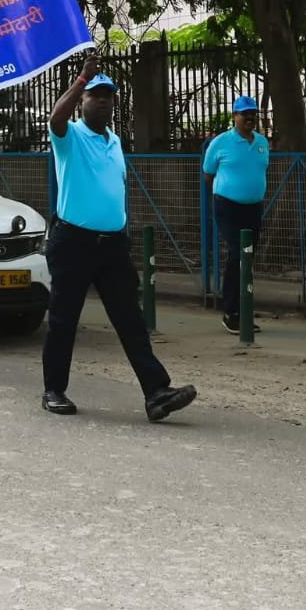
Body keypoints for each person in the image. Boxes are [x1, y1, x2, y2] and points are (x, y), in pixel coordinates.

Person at [41, 54, 198, 422]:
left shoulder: (114, 141)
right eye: (95, 95)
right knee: (64, 319)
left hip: (112, 246)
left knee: (130, 320)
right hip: (74, 243)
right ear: (82, 101)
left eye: (108, 96)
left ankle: (156, 393)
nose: (102, 101)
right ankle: (54, 390)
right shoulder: (70, 137)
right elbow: (55, 119)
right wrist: (81, 79)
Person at [203, 95, 270, 335]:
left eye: (253, 113)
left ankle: (244, 311)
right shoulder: (221, 143)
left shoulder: (262, 142)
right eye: (244, 114)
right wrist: (225, 191)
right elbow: (208, 173)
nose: (249, 118)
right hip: (228, 206)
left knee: (248, 257)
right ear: (235, 116)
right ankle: (230, 312)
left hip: (254, 207)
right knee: (237, 254)